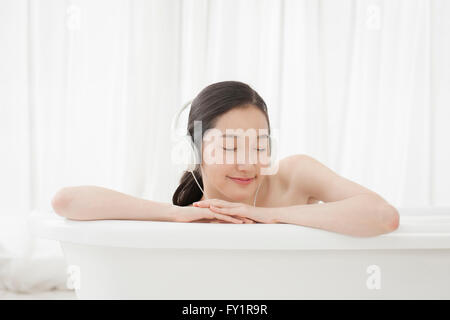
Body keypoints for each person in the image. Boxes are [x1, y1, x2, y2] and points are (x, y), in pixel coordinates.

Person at [52, 81, 399, 237]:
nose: (248, 164)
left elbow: (383, 217)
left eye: (259, 145)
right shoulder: (193, 218)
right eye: (229, 147)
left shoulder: (295, 174)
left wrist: (265, 216)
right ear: (197, 149)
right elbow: (66, 201)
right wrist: (175, 214)